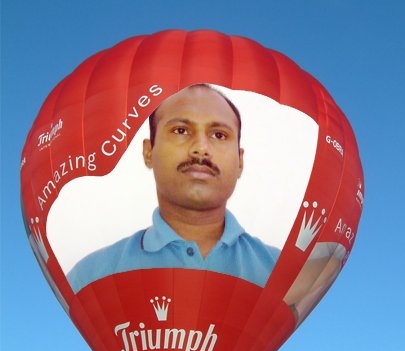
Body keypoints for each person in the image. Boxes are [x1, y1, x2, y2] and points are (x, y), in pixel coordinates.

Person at [68, 84, 280, 293]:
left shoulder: (286, 278)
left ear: (240, 161)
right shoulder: (90, 280)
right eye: (181, 131)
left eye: (219, 135)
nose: (201, 149)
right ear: (148, 152)